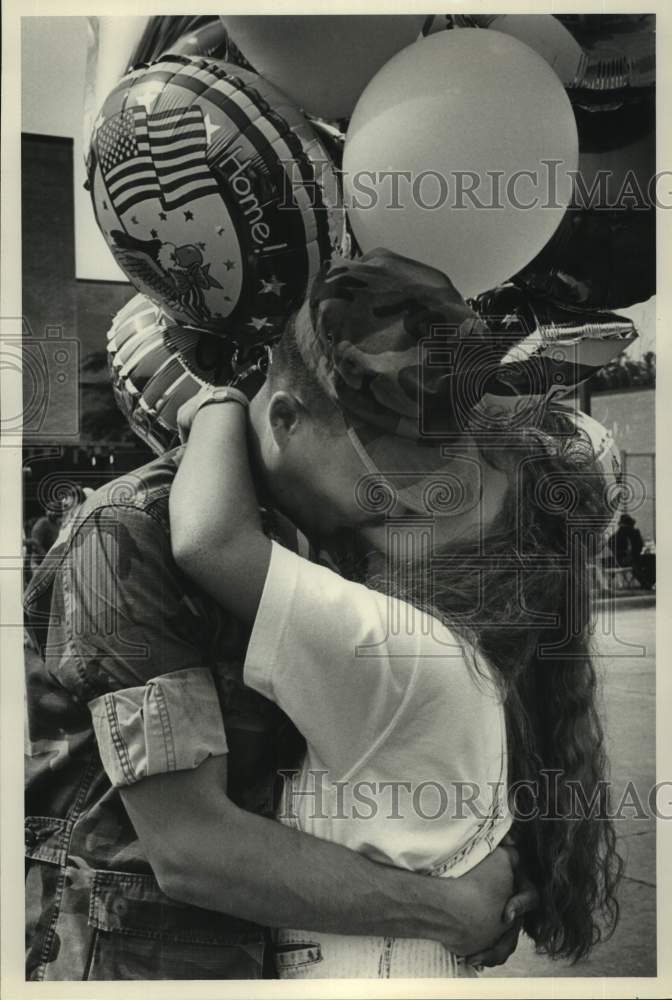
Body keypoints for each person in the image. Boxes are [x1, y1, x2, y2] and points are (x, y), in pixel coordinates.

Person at [24, 258, 536, 981]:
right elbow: (192, 852)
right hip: (133, 962)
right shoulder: (131, 534)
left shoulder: (325, 534)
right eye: (389, 465)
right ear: (289, 418)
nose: (414, 494)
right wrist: (451, 909)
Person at [156, 250, 622, 978]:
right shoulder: (467, 662)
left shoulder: (407, 656)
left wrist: (214, 402)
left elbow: (211, 540)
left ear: (495, 548)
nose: (404, 496)